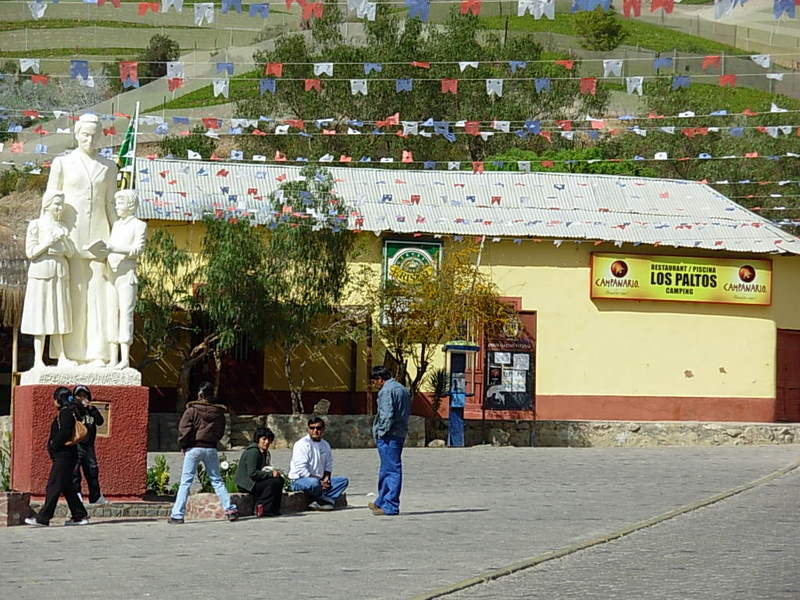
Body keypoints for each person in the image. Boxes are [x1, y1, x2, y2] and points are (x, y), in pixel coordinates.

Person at [46, 113, 118, 365]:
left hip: (100, 239)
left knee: (99, 296)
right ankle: (69, 354)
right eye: (84, 134)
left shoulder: (109, 167)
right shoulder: (62, 163)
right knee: (70, 295)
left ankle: (99, 353)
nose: (89, 139)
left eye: (93, 135)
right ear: (76, 134)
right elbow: (49, 202)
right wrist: (49, 233)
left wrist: (116, 240)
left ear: (99, 136)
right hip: (69, 237)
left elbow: (111, 206)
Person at [168, 382, 239, 524]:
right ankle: (230, 509)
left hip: (193, 448)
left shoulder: (191, 410)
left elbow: (184, 430)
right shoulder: (219, 412)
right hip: (211, 448)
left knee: (186, 482)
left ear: (200, 395)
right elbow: (220, 432)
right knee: (217, 480)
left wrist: (183, 444)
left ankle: (177, 515)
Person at [20, 190, 76, 368]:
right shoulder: (36, 225)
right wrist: (49, 242)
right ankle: (38, 359)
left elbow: (70, 253)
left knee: (59, 313)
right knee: (41, 315)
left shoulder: (62, 227)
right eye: (56, 204)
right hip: (41, 271)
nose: (59, 208)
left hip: (60, 270)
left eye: (61, 205)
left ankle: (62, 356)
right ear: (47, 204)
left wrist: (65, 241)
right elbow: (31, 252)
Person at [25, 387, 89, 527]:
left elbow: (65, 432)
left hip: (64, 455)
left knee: (53, 485)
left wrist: (54, 444)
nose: (54, 401)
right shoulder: (71, 411)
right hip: (67, 455)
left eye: (55, 398)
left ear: (59, 399)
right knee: (67, 487)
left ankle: (43, 518)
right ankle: (79, 516)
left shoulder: (66, 413)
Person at [102, 189, 147, 369]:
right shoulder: (117, 225)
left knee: (126, 314)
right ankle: (113, 358)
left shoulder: (139, 225)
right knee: (112, 314)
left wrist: (114, 248)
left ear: (130, 204)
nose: (117, 207)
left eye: (120, 203)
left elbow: (137, 250)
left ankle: (125, 359)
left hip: (127, 275)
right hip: (111, 273)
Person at [369, 366, 411, 517]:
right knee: (386, 468)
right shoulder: (402, 389)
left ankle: (390, 505)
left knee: (392, 469)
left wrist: (381, 432)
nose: (374, 385)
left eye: (374, 381)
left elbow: (387, 415)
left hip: (389, 435)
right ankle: (382, 500)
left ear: (380, 379)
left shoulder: (386, 391)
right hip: (399, 432)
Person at [288, 417, 349, 511]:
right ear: (308, 429)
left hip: (319, 481)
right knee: (314, 483)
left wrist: (326, 479)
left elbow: (328, 465)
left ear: (323, 429)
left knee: (343, 481)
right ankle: (326, 500)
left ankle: (320, 501)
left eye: (318, 428)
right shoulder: (302, 444)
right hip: (300, 480)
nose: (315, 431)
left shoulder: (325, 445)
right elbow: (301, 469)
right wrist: (320, 482)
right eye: (312, 428)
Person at [71, 385, 108, 505]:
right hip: (76, 445)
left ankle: (95, 496)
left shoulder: (91, 410)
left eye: (84, 395)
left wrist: (92, 409)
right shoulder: (73, 409)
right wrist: (79, 407)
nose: (82, 398)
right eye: (79, 395)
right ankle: (77, 495)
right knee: (75, 472)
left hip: (89, 446)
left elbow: (100, 421)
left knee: (92, 471)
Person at [235, 427, 284, 518]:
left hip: (255, 480)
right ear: (258, 440)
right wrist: (270, 474)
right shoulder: (253, 452)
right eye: (264, 439)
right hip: (247, 483)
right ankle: (262, 508)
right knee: (272, 483)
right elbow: (252, 473)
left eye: (269, 440)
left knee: (279, 480)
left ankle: (274, 509)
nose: (267, 442)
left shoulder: (264, 452)